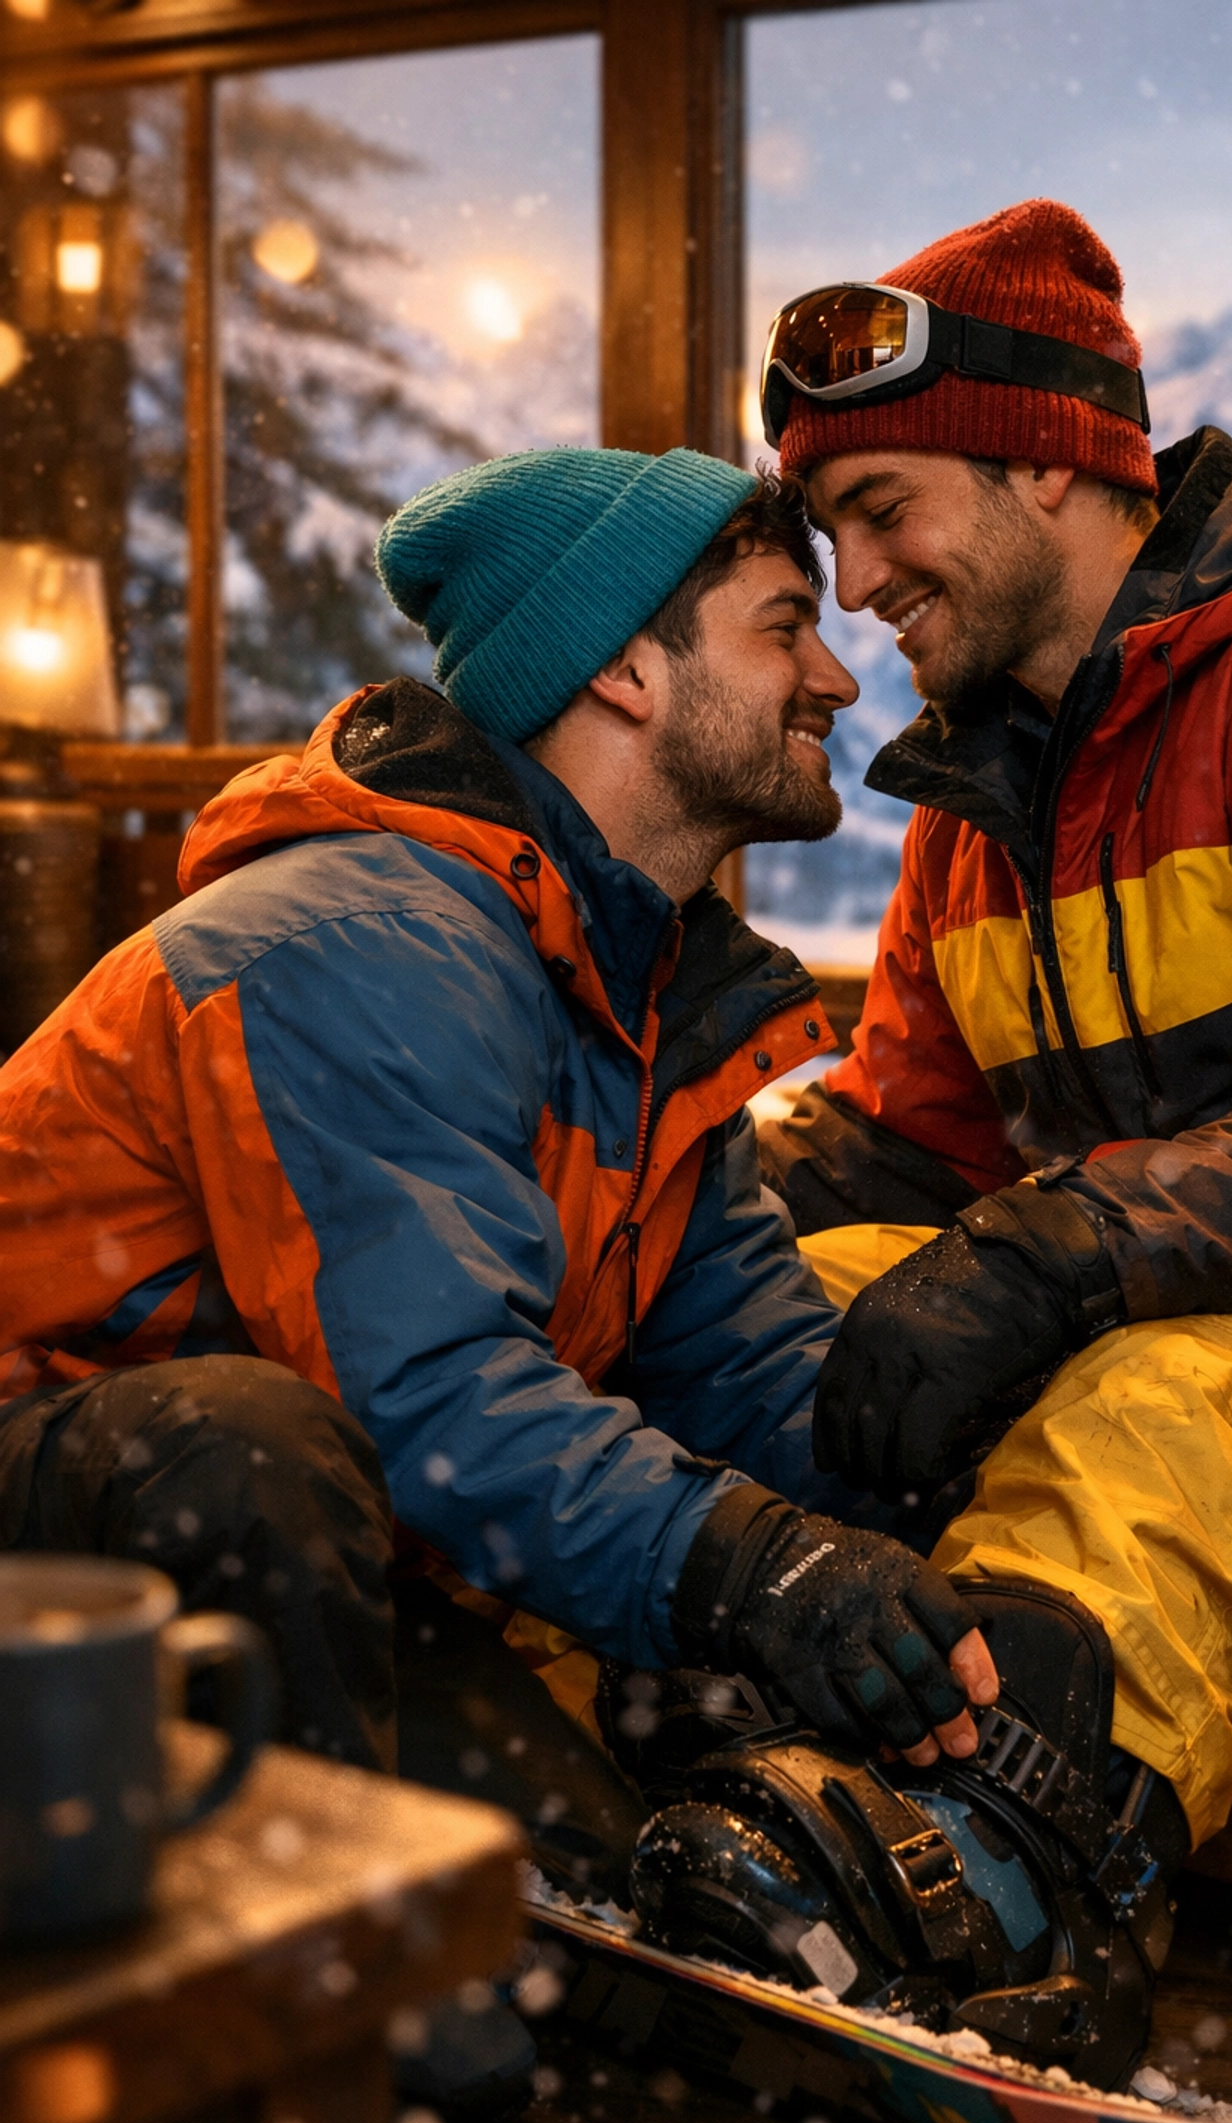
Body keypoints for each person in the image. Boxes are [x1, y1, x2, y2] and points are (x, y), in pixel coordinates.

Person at [633, 201, 1232, 2086]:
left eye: (886, 507)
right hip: (1169, 1290)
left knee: (1170, 1399)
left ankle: (1013, 1883)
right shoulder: (981, 800)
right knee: (783, 1324)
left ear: (1051, 459)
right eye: (833, 535)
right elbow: (911, 1137)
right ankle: (664, 1763)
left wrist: (1053, 1252)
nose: (861, 580)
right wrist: (692, 1229)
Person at [0, 447, 1000, 1808]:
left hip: (295, 1542)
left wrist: (974, 1572)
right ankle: (284, 1984)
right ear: (626, 672)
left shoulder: (642, 1000)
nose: (833, 677)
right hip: (87, 1510)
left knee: (583, 1920)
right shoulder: (370, 937)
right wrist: (748, 1573)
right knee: (244, 1451)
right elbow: (423, 1400)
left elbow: (750, 1377)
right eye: (784, 627)